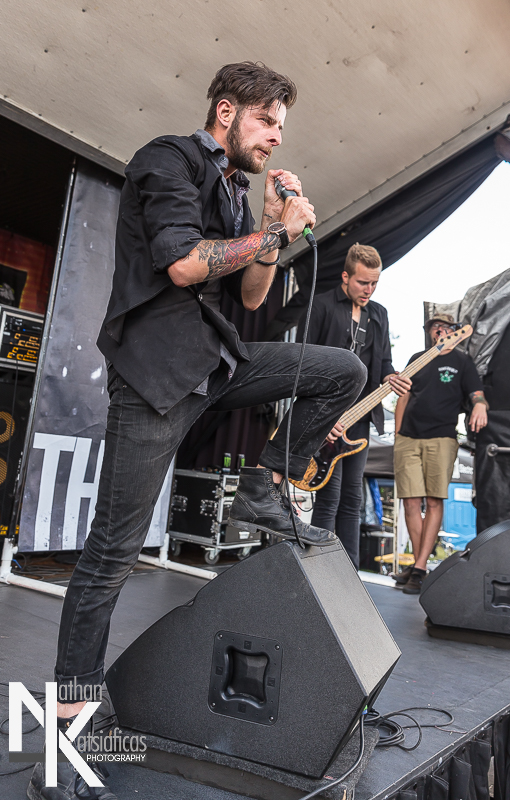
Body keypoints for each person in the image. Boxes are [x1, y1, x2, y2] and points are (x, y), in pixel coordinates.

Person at [28, 62, 367, 800]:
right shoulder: (167, 159)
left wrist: (270, 229)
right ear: (226, 111)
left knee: (341, 370)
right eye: (267, 121)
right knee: (112, 552)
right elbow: (184, 265)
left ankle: (265, 483)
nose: (276, 139)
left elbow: (252, 294)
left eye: (281, 127)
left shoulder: (235, 190)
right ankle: (66, 733)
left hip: (216, 363)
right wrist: (270, 230)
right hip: (155, 375)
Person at [300, 244, 411, 570]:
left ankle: (348, 571)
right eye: (363, 282)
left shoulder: (379, 314)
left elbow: (385, 361)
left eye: (375, 283)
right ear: (346, 276)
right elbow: (303, 363)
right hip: (327, 415)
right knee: (329, 495)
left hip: (361, 416)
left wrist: (392, 377)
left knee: (353, 497)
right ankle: (317, 569)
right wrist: (319, 416)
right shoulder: (321, 305)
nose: (369, 289)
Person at [392, 313, 488, 594]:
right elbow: (403, 395)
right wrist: (397, 435)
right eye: (435, 327)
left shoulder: (462, 361)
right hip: (408, 438)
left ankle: (419, 567)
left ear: (455, 332)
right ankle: (419, 565)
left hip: (442, 439)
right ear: (430, 332)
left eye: (446, 327)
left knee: (434, 501)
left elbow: (476, 393)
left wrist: (480, 405)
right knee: (410, 502)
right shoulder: (417, 358)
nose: (440, 331)